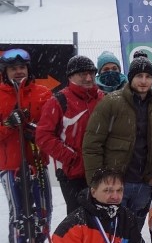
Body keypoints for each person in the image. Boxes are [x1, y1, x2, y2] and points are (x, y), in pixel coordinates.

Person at [82, 56, 152, 238]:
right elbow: (92, 145)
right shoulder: (111, 103)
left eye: (148, 76)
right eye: (139, 76)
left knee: (133, 231)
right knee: (109, 232)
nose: (143, 81)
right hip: (115, 182)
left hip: (144, 183)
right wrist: (97, 182)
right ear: (130, 78)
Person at [1, 48, 53, 243]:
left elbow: (52, 125)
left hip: (37, 160)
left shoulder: (42, 93)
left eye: (22, 67)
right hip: (11, 163)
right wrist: (7, 124)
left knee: (44, 208)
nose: (19, 72)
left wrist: (37, 131)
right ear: (6, 72)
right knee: (19, 212)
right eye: (14, 68)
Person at [36, 56, 103, 215]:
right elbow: (43, 136)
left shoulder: (103, 98)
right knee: (77, 220)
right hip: (72, 174)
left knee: (102, 220)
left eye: (91, 73)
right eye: (82, 74)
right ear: (70, 76)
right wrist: (70, 157)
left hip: (100, 171)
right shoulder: (58, 101)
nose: (88, 78)